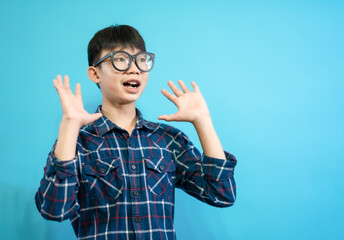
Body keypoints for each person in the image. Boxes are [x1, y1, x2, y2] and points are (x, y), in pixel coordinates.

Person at [35, 24, 237, 240]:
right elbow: (54, 210)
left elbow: (222, 194)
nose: (135, 69)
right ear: (95, 74)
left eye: (141, 60)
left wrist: (203, 121)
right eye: (120, 59)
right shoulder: (77, 142)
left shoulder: (168, 140)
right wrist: (69, 125)